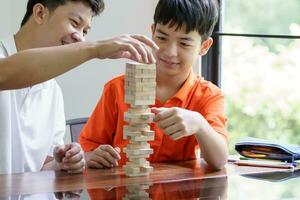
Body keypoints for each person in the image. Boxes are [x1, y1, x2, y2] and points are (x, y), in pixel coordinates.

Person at [0, 0, 157, 174]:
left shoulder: (53, 91)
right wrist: (94, 49)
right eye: (74, 23)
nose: (80, 38)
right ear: (40, 13)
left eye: (85, 31)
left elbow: (42, 166)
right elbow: (5, 74)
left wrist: (63, 164)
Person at [79, 0, 228, 170]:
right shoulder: (117, 88)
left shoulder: (208, 95)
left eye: (184, 43)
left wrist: (200, 125)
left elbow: (219, 160)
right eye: (162, 38)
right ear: (152, 31)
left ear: (204, 46)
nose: (170, 51)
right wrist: (93, 155)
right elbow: (88, 148)